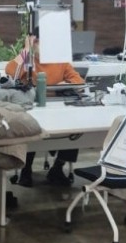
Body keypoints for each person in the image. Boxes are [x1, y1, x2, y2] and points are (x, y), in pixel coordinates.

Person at [5, 30, 84, 187]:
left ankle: (57, 168)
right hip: (32, 106)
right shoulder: (27, 60)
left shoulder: (60, 61)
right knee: (30, 129)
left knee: (75, 129)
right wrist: (26, 52)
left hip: (57, 106)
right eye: (40, 42)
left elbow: (78, 81)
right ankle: (25, 170)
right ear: (33, 42)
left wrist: (66, 84)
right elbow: (10, 71)